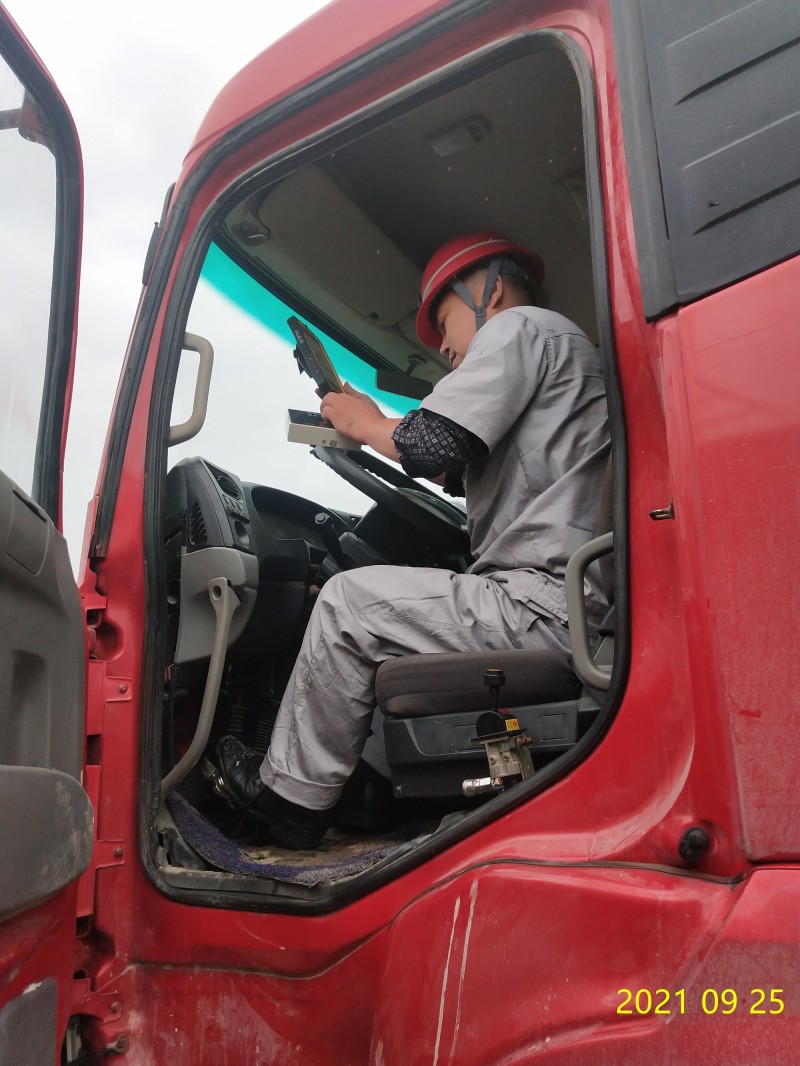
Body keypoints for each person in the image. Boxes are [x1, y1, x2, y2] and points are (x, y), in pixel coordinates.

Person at [213, 232, 610, 849]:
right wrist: (371, 420)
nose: (443, 347)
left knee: (347, 604)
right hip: (572, 606)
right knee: (392, 621)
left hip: (544, 603)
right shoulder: (562, 351)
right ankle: (367, 792)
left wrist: (368, 425)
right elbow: (455, 467)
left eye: (444, 322)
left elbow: (431, 445)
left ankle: (285, 804)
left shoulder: (520, 328)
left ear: (489, 293)